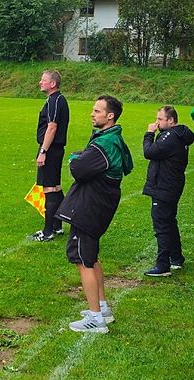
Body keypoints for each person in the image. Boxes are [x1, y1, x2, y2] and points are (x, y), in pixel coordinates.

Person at [55, 95, 133, 333]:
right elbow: (127, 165)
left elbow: (78, 169)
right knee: (92, 256)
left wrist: (75, 159)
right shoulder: (114, 138)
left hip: (90, 208)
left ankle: (95, 319)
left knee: (83, 260)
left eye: (97, 111)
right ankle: (102, 307)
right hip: (99, 206)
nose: (92, 114)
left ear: (110, 116)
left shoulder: (106, 143)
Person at [143, 105, 194, 276]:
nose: (156, 122)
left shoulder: (171, 137)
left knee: (162, 225)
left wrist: (149, 134)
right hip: (171, 185)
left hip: (164, 187)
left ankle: (163, 265)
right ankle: (176, 257)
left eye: (160, 119)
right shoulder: (178, 135)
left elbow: (149, 152)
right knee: (169, 222)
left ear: (171, 120)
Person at [31, 70, 70, 242]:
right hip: (54, 149)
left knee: (49, 188)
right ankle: (58, 226)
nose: (40, 82)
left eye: (43, 80)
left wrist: (43, 151)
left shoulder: (56, 100)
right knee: (55, 187)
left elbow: (52, 127)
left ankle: (48, 232)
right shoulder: (56, 100)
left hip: (51, 149)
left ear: (53, 84)